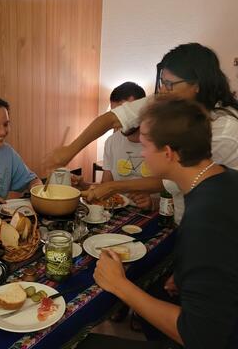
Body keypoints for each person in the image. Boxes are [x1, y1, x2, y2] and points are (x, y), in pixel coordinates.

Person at [78, 97, 238, 349]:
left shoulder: (205, 220)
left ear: (168, 153)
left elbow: (200, 337)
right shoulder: (224, 179)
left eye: (145, 146)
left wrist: (120, 285)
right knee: (155, 285)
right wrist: (187, 276)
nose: (142, 154)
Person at [46, 43, 238, 223]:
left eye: (170, 84)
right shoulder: (171, 101)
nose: (162, 90)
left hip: (213, 219)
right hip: (184, 216)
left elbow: (175, 178)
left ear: (197, 84)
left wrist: (113, 186)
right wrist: (70, 150)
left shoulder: (224, 130)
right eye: (162, 82)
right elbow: (112, 118)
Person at [74, 82, 154, 210]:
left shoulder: (160, 142)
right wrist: (83, 185)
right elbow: (106, 186)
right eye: (115, 115)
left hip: (152, 213)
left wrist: (153, 203)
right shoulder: (112, 142)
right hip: (118, 211)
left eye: (125, 114)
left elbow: (173, 189)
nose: (119, 121)